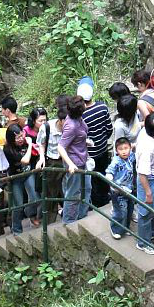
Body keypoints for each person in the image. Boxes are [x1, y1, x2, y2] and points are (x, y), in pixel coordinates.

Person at [76, 77, 113, 208]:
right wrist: (102, 139)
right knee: (103, 173)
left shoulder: (80, 115)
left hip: (89, 154)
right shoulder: (103, 107)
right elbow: (109, 128)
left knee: (92, 179)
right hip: (103, 149)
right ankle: (106, 197)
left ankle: (97, 203)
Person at [135, 113, 154, 255]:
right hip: (148, 182)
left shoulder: (147, 134)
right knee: (145, 212)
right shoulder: (147, 148)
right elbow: (142, 174)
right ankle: (143, 242)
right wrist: (148, 193)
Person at [3, 124, 42, 234]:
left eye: (21, 135)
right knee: (18, 205)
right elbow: (24, 161)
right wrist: (29, 145)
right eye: (17, 137)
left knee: (35, 198)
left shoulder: (26, 140)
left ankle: (29, 212)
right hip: (16, 177)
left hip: (28, 173)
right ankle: (17, 230)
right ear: (11, 139)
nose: (21, 139)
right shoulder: (7, 149)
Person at [59, 95, 91, 224]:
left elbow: (77, 137)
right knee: (73, 193)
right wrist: (71, 164)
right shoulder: (71, 125)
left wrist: (85, 141)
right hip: (74, 162)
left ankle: (81, 216)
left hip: (82, 158)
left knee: (86, 189)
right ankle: (69, 221)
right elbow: (61, 147)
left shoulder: (78, 119)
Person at [36, 97, 68, 223]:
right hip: (52, 161)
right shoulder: (47, 127)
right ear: (60, 120)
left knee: (66, 190)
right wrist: (42, 158)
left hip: (65, 161)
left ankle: (69, 217)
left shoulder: (70, 127)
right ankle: (49, 222)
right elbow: (41, 143)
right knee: (51, 193)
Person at [105, 137, 135, 239]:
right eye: (120, 149)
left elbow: (135, 148)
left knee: (129, 210)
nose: (124, 151)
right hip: (118, 191)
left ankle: (125, 228)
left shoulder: (131, 157)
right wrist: (110, 177)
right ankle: (115, 229)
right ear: (116, 151)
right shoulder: (116, 161)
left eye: (126, 148)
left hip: (129, 189)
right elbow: (110, 171)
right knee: (120, 211)